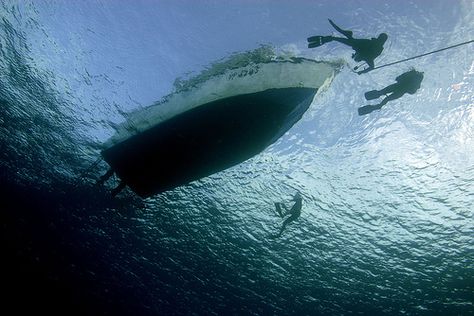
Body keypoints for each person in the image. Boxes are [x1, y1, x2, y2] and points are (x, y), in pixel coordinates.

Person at [307, 19, 388, 74]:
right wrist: (361, 72)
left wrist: (362, 72)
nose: (355, 57)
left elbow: (371, 67)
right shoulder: (368, 57)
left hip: (359, 44)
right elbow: (371, 66)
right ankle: (347, 35)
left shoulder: (369, 56)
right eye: (356, 57)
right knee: (342, 40)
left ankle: (348, 35)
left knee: (346, 40)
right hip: (358, 44)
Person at [358, 69, 424, 115]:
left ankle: (377, 105)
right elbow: (411, 91)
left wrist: (401, 78)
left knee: (382, 93)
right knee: (386, 97)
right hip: (400, 91)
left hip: (397, 87)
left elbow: (399, 78)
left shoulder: (413, 75)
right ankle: (377, 106)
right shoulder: (415, 79)